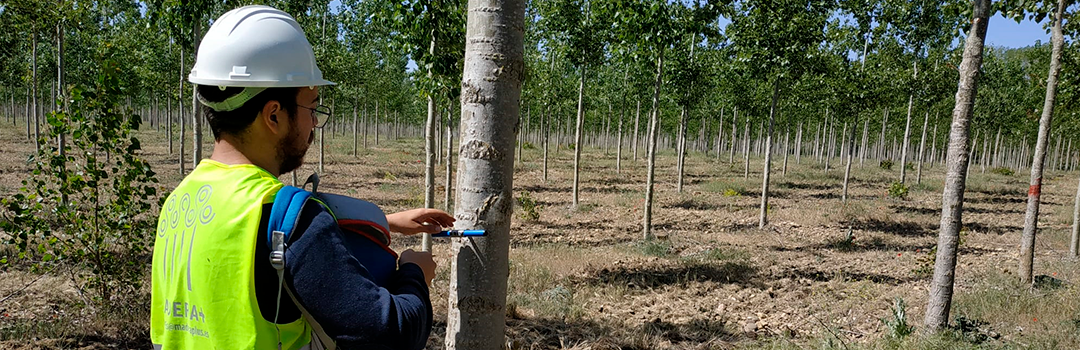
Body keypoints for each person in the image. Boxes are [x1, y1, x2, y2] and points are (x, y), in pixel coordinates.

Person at [149, 5, 453, 350]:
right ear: (274, 115)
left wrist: (387, 221)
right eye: (312, 107)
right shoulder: (288, 217)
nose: (314, 124)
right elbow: (389, 333)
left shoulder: (178, 203)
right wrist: (414, 273)